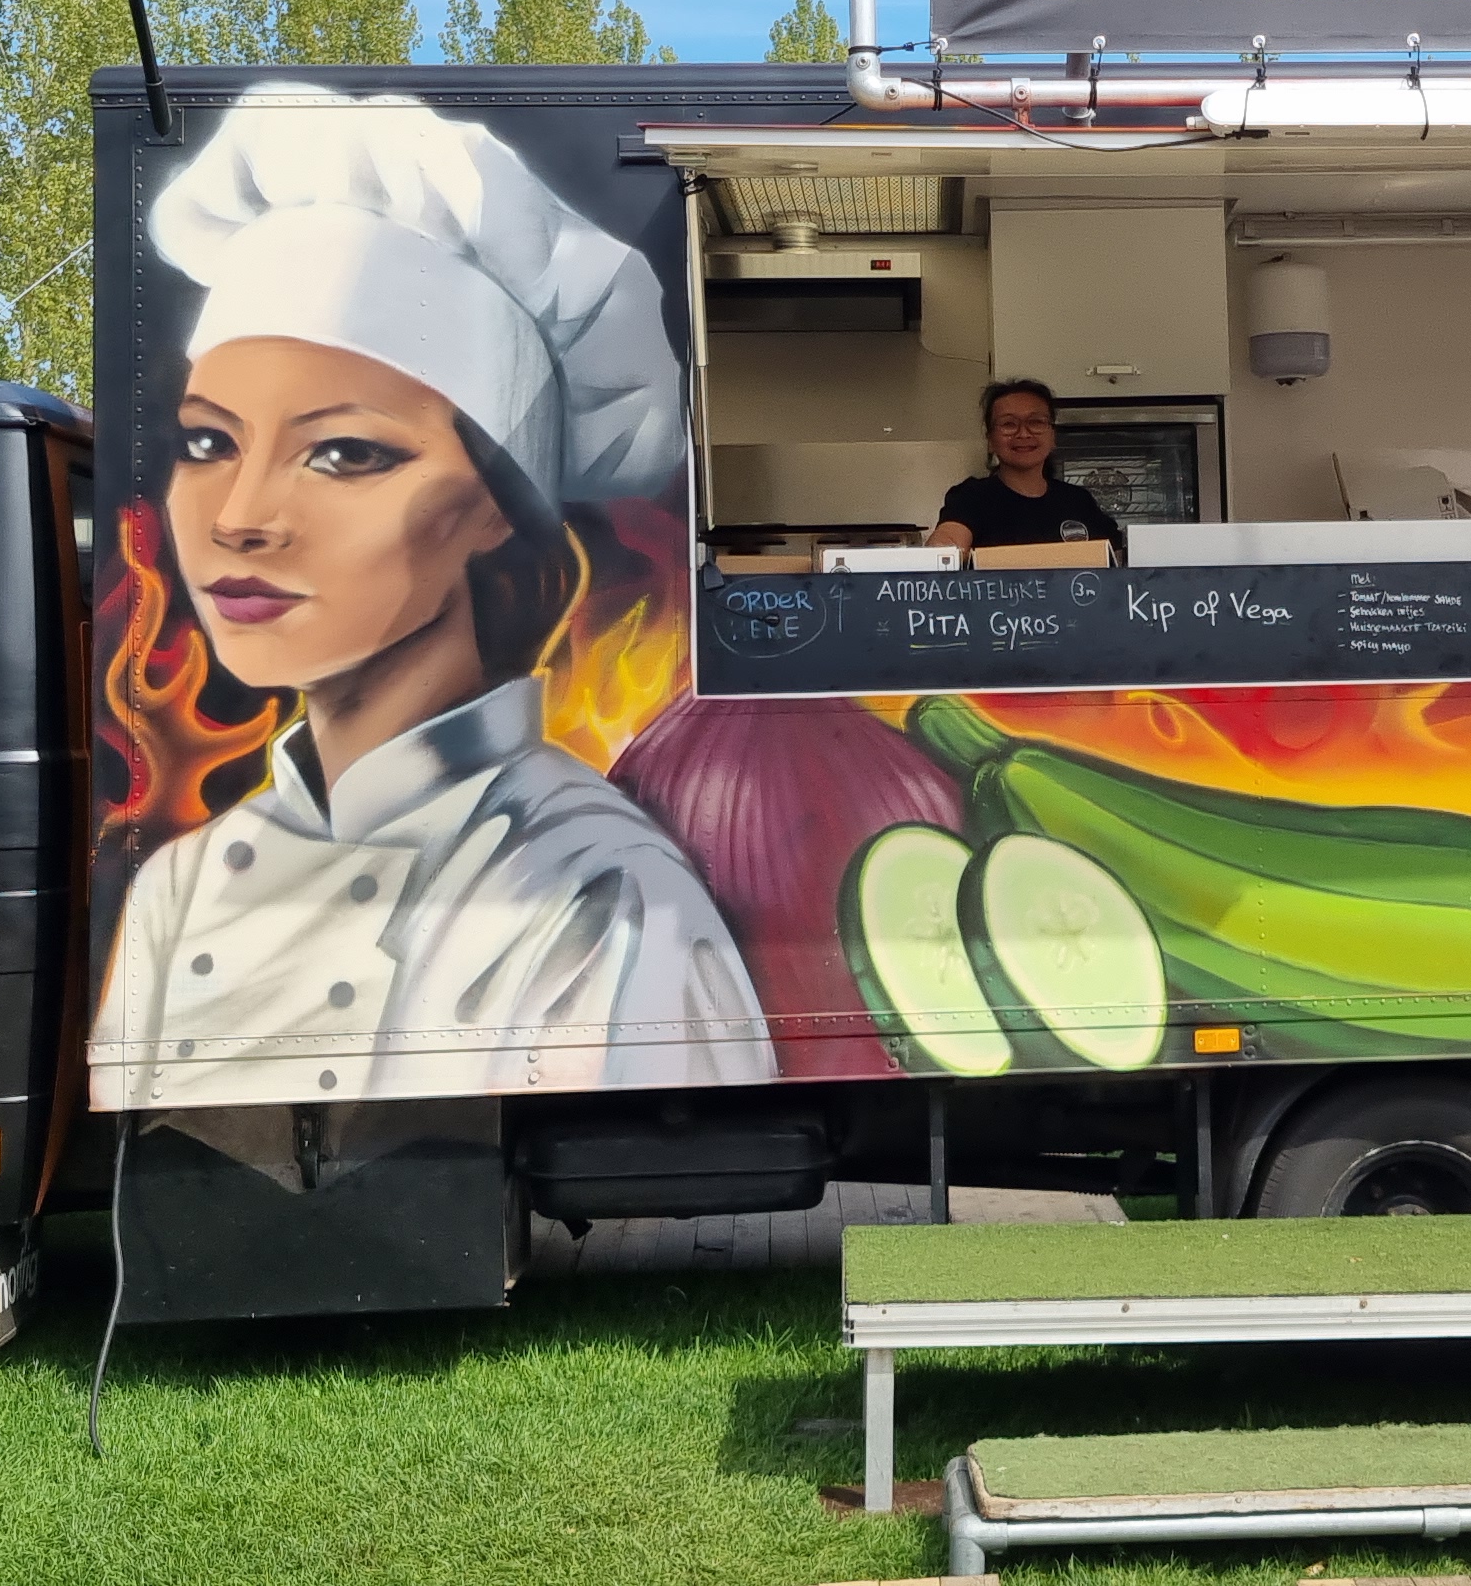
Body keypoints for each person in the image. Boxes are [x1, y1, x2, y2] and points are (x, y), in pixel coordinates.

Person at [91, 82, 771, 1111]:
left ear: (497, 503)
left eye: (343, 452)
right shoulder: (178, 887)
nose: (239, 517)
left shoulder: (595, 892)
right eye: (208, 441)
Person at [927, 378, 1125, 554]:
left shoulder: (1078, 501)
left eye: (1036, 422)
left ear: (1053, 436)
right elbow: (947, 546)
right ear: (990, 441)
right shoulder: (971, 498)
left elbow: (1117, 558)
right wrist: (943, 549)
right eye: (1009, 424)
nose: (1023, 433)